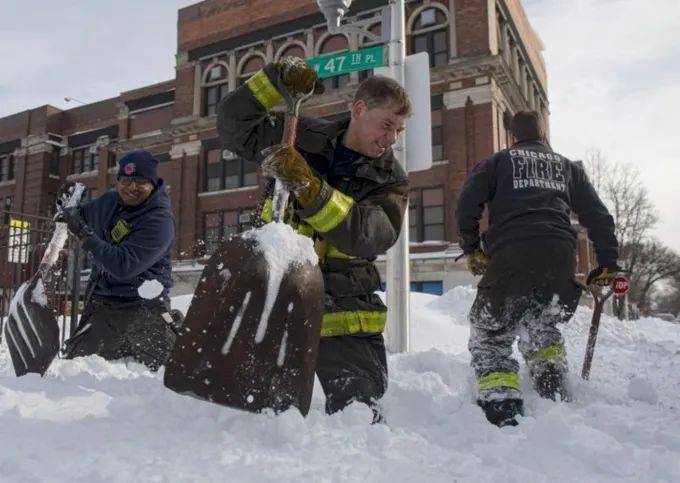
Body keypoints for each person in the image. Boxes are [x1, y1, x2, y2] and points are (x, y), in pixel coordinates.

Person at [217, 58, 411, 420]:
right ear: (358, 109)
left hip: (345, 310)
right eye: (386, 125)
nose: (392, 139)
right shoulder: (300, 135)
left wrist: (309, 186)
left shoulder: (390, 180)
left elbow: (367, 234)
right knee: (252, 419)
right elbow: (233, 127)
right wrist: (275, 79)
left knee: (359, 417)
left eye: (399, 130)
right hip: (275, 298)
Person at [457, 111, 619, 427]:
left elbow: (466, 204)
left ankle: (501, 406)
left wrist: (471, 248)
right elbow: (599, 216)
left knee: (491, 333)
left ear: (512, 136)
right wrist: (608, 263)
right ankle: (553, 391)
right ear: (543, 134)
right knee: (542, 325)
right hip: (559, 259)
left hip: (511, 256)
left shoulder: (497, 163)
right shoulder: (568, 168)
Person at [57, 150, 178, 371]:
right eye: (126, 180)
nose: (131, 187)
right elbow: (78, 216)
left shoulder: (159, 220)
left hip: (144, 311)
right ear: (119, 180)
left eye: (140, 181)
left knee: (164, 380)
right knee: (73, 371)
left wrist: (84, 234)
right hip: (104, 307)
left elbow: (124, 266)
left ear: (152, 184)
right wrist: (66, 207)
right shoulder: (109, 201)